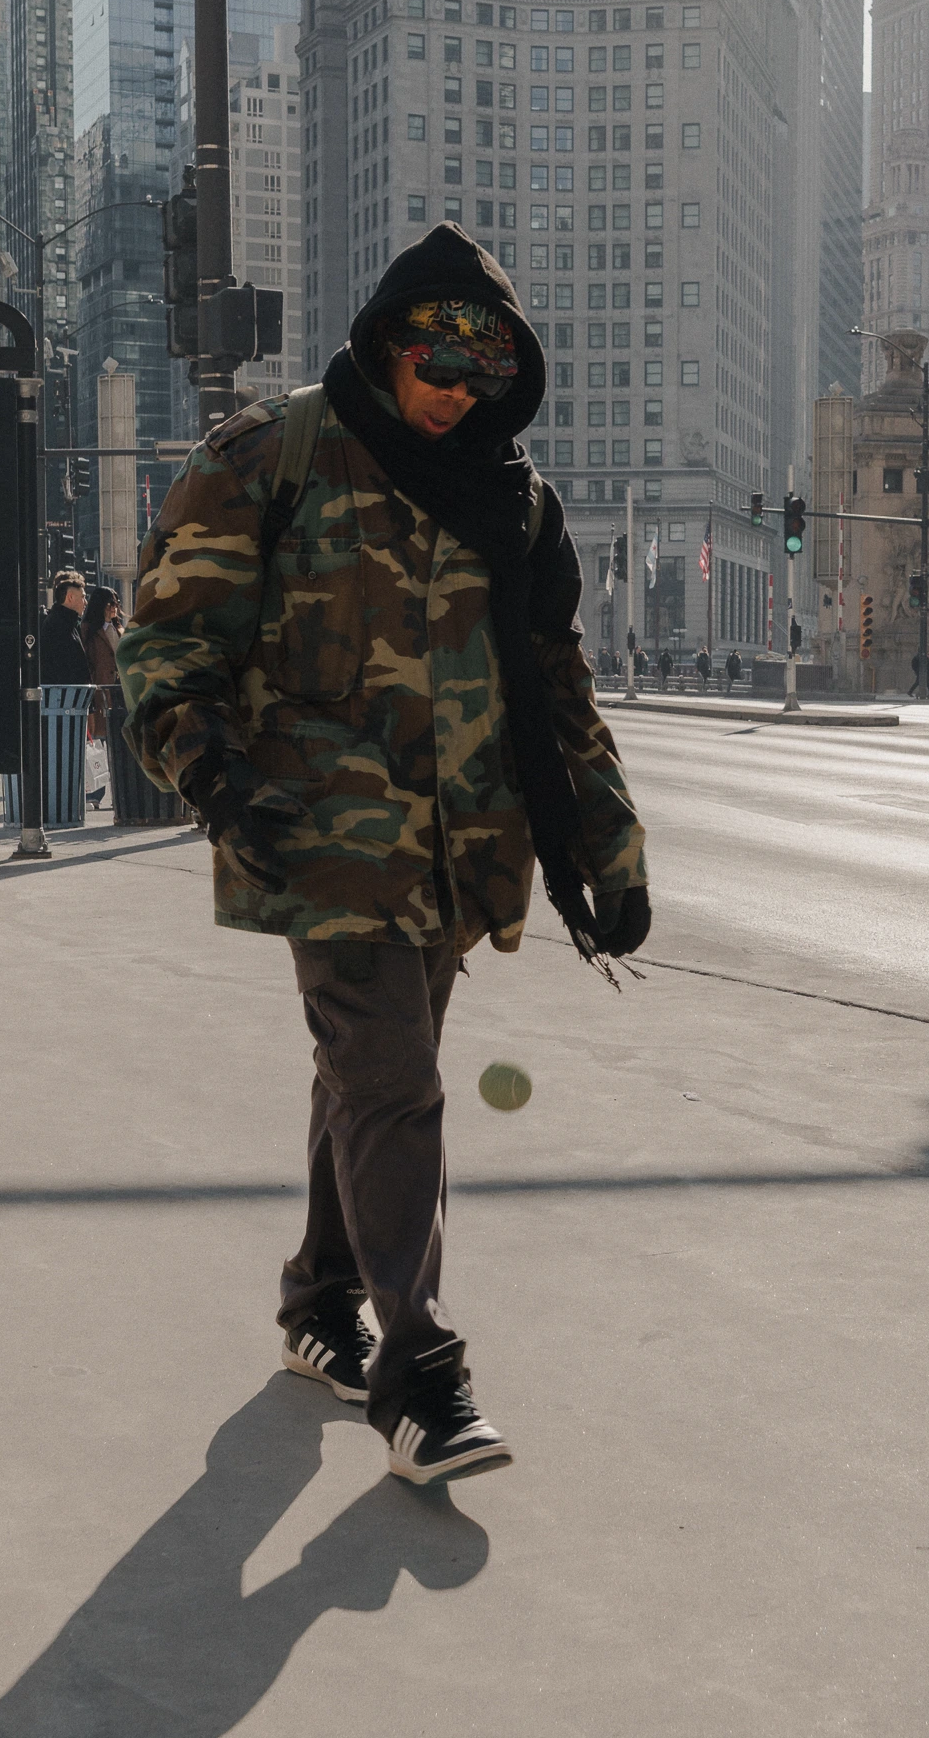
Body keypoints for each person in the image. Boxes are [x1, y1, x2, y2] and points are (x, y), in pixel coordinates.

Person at [118, 226, 648, 1488]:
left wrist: (609, 847)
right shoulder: (273, 456)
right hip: (320, 840)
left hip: (462, 851)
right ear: (385, 340)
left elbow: (559, 685)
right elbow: (166, 643)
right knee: (394, 1082)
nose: (454, 393)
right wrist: (214, 777)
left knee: (363, 1082)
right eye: (435, 362)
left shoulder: (514, 502)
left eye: (481, 377)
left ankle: (317, 1300)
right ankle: (420, 1377)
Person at [83, 586, 125, 810]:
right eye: (110, 603)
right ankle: (96, 793)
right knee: (98, 746)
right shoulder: (89, 629)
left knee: (116, 746)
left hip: (118, 693)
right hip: (100, 693)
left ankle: (118, 795)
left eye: (116, 603)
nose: (114, 607)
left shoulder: (119, 628)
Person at [39, 571, 90, 683]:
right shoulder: (59, 625)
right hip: (64, 696)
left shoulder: (68, 622)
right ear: (70, 597)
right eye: (83, 597)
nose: (86, 602)